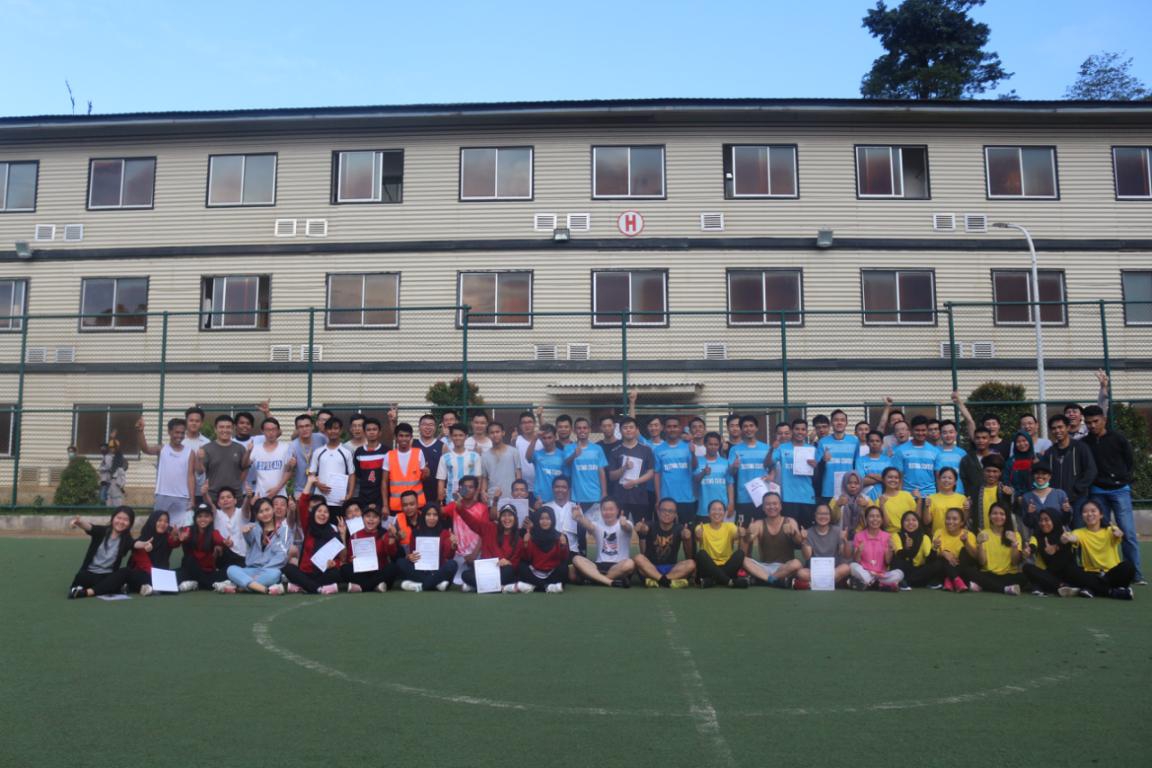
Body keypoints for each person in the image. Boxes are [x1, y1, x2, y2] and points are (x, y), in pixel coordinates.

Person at [1082, 404, 1143, 584]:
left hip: (1120, 490)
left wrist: (1122, 478)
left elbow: (1129, 461)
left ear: (1104, 420)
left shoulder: (1118, 438)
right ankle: (1105, 572)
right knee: (1101, 533)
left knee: (1127, 533)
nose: (1092, 425)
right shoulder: (1085, 443)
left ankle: (1135, 575)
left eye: (1095, 421)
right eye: (1088, 423)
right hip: (1097, 492)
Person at [1060, 500, 1134, 599]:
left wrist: (1119, 534)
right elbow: (1073, 537)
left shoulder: (1110, 530)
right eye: (1085, 512)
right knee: (1070, 570)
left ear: (1101, 515)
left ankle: (1091, 589)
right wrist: (1066, 539)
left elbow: (1118, 534)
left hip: (1111, 573)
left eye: (1093, 511)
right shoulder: (1079, 532)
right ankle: (1112, 592)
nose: (1089, 514)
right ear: (1082, 516)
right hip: (1091, 573)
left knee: (1128, 567)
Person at [219, 496, 293, 594]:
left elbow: (281, 555)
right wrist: (246, 533)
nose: (265, 514)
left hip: (269, 570)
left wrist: (264, 570)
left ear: (273, 509)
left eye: (267, 510)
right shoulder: (253, 528)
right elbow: (249, 539)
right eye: (261, 512)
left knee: (275, 574)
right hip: (251, 569)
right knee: (231, 569)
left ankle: (240, 587)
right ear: (257, 515)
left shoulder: (284, 530)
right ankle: (263, 589)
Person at [283, 485, 344, 595]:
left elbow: (341, 558)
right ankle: (318, 588)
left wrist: (334, 563)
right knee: (288, 569)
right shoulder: (308, 527)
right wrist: (310, 482)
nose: (322, 514)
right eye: (319, 511)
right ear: (313, 513)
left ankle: (304, 587)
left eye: (325, 512)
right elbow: (302, 504)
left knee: (336, 573)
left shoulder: (332, 532)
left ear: (329, 515)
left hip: (323, 573)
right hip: (305, 572)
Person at [136, 417, 195, 524]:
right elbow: (146, 449)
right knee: (159, 526)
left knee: (182, 527)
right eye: (177, 432)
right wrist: (140, 432)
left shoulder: (190, 452)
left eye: (182, 433)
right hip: (162, 494)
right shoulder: (162, 449)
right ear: (169, 432)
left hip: (182, 497)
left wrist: (192, 499)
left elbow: (190, 476)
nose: (180, 436)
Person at [67, 506, 136, 599]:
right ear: (113, 518)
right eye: (118, 518)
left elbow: (135, 544)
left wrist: (144, 545)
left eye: (125, 520)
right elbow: (90, 527)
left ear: (130, 523)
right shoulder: (101, 531)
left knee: (125, 572)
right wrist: (79, 522)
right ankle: (110, 588)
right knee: (82, 577)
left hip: (108, 576)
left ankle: (86, 592)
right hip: (89, 574)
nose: (121, 522)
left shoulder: (127, 539)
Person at [459, 503, 527, 593]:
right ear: (500, 518)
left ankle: (478, 587)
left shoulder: (519, 540)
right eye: (504, 515)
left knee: (509, 571)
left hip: (503, 572)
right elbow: (472, 522)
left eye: (510, 515)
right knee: (465, 575)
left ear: (515, 518)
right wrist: (459, 508)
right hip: (486, 571)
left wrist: (508, 562)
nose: (507, 518)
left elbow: (515, 564)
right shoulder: (489, 528)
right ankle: (500, 588)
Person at [563, 417, 608, 550]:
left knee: (596, 530)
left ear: (589, 430)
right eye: (579, 428)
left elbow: (601, 471)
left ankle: (598, 557)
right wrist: (574, 455)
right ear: (574, 431)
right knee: (580, 530)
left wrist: (604, 493)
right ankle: (582, 554)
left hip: (595, 496)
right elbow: (566, 465)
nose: (582, 430)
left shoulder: (597, 449)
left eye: (585, 428)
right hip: (578, 497)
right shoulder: (569, 448)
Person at [963, 503, 1026, 595]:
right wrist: (980, 544)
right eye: (994, 513)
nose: (998, 516)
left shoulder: (1015, 535)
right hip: (989, 574)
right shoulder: (983, 533)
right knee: (969, 572)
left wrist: (1014, 544)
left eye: (1002, 514)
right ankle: (1005, 589)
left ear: (1007, 517)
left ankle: (985, 586)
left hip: (1009, 575)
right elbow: (982, 562)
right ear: (989, 516)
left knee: (1023, 577)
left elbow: (1015, 562)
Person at [570, 498, 635, 588]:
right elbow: (589, 525)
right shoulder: (597, 525)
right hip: (599, 566)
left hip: (618, 566)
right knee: (576, 559)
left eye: (611, 509)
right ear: (600, 511)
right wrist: (579, 517)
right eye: (604, 509)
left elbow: (628, 528)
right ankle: (609, 581)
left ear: (618, 510)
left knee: (630, 563)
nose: (607, 512)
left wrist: (624, 524)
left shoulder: (626, 523)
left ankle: (595, 578)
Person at [633, 498, 695, 588]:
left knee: (691, 563)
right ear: (658, 512)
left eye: (671, 511)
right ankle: (668, 581)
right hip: (651, 567)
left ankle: (658, 580)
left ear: (675, 514)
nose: (667, 513)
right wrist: (642, 528)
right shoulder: (651, 525)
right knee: (638, 558)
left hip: (671, 568)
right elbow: (645, 529)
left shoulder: (679, 528)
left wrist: (687, 536)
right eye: (664, 510)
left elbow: (684, 535)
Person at [744, 493, 803, 587]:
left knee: (796, 563)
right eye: (768, 504)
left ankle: (763, 580)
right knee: (743, 559)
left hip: (785, 567)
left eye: (775, 503)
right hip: (764, 567)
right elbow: (748, 539)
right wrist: (748, 533)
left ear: (780, 506)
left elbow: (799, 541)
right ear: (763, 507)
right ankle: (773, 580)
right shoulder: (759, 523)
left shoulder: (790, 521)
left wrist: (793, 533)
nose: (771, 507)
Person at [694, 500, 756, 589]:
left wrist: (741, 532)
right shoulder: (701, 527)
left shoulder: (730, 526)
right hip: (708, 566)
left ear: (724, 513)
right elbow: (697, 535)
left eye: (720, 510)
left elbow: (737, 534)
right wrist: (698, 535)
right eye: (713, 509)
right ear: (708, 513)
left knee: (740, 553)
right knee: (701, 554)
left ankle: (712, 581)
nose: (717, 512)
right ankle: (729, 581)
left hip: (727, 565)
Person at [396, 505, 459, 592]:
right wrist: (409, 557)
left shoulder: (444, 533)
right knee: (400, 562)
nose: (432, 518)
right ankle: (436, 584)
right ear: (424, 516)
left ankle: (420, 585)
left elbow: (448, 556)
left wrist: (452, 545)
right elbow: (412, 553)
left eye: (435, 515)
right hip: (420, 570)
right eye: (428, 514)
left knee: (452, 564)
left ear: (438, 517)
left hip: (438, 570)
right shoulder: (416, 532)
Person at [1045, 414, 1096, 521]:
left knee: (1078, 528)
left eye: (1060, 427)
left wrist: (1077, 488)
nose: (1057, 431)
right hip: (1056, 499)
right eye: (1054, 428)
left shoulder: (1080, 447)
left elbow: (1091, 470)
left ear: (1068, 427)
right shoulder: (1049, 452)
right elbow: (1044, 474)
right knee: (1058, 528)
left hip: (1078, 498)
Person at [767, 418, 817, 527]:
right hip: (788, 498)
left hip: (807, 497)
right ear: (792, 431)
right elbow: (768, 463)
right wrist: (771, 449)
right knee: (789, 531)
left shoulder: (812, 449)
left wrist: (815, 466)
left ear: (806, 432)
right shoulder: (782, 448)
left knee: (806, 531)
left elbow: (817, 475)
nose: (800, 432)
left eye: (803, 429)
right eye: (797, 429)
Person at [340, 503, 400, 593]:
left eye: (375, 517)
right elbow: (349, 558)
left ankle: (362, 587)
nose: (371, 519)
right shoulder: (355, 535)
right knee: (345, 569)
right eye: (368, 516)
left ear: (379, 520)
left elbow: (392, 553)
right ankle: (375, 586)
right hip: (361, 572)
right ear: (363, 518)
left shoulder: (385, 534)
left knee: (393, 568)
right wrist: (352, 560)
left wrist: (392, 537)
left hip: (378, 571)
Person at [607, 417, 655, 525]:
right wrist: (624, 468)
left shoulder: (646, 450)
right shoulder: (615, 451)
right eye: (625, 428)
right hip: (620, 498)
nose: (628, 430)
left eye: (631, 427)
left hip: (640, 498)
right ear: (620, 431)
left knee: (641, 529)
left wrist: (635, 482)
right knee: (620, 529)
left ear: (636, 430)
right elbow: (611, 476)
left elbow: (651, 472)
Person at [442, 475, 488, 586]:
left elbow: (484, 534)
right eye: (464, 487)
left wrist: (474, 554)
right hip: (459, 554)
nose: (467, 490)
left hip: (477, 553)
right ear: (460, 489)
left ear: (476, 490)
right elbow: (437, 512)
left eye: (471, 487)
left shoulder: (482, 508)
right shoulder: (453, 506)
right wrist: (443, 498)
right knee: (456, 580)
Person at [1021, 508, 1076, 596]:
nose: (1043, 523)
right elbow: (1033, 545)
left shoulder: (1064, 535)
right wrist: (1029, 550)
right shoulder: (1037, 535)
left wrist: (1057, 547)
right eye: (1041, 520)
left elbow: (1073, 541)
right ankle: (1061, 586)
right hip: (1048, 574)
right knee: (1027, 567)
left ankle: (1042, 586)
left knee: (1070, 568)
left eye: (1046, 520)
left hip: (1065, 572)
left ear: (1054, 520)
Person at [795, 503, 851, 589]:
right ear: (815, 515)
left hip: (833, 569)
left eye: (826, 514)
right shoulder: (808, 532)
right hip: (814, 570)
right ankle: (832, 583)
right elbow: (807, 556)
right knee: (801, 573)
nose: (823, 516)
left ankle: (813, 584)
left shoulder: (837, 531)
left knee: (846, 568)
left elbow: (845, 555)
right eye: (820, 514)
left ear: (830, 516)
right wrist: (804, 540)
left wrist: (845, 540)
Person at [198, 414, 250, 508]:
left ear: (233, 429)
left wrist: (238, 483)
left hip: (235, 497)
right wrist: (200, 460)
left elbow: (245, 468)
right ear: (215, 429)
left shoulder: (240, 448)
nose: (225, 430)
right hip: (213, 497)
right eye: (221, 427)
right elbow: (200, 471)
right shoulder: (207, 449)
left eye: (228, 427)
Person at [653, 416, 696, 524]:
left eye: (675, 426)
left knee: (687, 531)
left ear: (680, 428)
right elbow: (657, 475)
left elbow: (695, 467)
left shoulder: (688, 447)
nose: (672, 429)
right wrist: (658, 498)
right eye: (669, 426)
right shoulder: (658, 450)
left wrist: (693, 454)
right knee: (667, 532)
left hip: (686, 499)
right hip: (666, 499)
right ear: (664, 428)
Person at [850, 505, 904, 591]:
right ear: (866, 519)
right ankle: (880, 585)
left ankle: (871, 583)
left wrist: (890, 550)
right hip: (866, 572)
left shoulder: (887, 536)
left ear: (881, 519)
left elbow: (887, 561)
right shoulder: (859, 536)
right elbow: (856, 560)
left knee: (899, 573)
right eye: (871, 516)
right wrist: (859, 551)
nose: (875, 519)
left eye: (878, 516)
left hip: (881, 575)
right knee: (853, 566)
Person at [127, 511, 181, 596]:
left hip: (161, 573)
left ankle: (151, 587)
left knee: (180, 574)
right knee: (133, 575)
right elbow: (145, 565)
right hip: (144, 573)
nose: (163, 524)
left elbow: (173, 543)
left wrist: (175, 537)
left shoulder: (166, 537)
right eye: (159, 520)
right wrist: (159, 578)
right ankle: (147, 587)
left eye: (166, 521)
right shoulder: (142, 540)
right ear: (153, 521)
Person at [729, 415, 771, 523]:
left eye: (751, 426)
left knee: (762, 529)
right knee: (743, 530)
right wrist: (734, 467)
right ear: (741, 429)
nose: (748, 429)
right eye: (745, 426)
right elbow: (730, 473)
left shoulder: (767, 448)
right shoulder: (735, 450)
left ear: (756, 428)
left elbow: (773, 469)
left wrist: (771, 476)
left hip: (763, 497)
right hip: (744, 498)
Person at [177, 504, 228, 593]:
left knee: (227, 571)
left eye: (206, 516)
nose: (203, 519)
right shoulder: (188, 530)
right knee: (187, 563)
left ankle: (196, 583)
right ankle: (208, 584)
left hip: (207, 571)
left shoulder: (214, 532)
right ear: (195, 519)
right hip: (190, 569)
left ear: (211, 518)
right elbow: (179, 539)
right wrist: (181, 539)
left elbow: (219, 540)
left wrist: (223, 543)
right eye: (199, 516)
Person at [309, 417, 354, 516]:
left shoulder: (347, 452)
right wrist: (317, 484)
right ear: (325, 431)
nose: (333, 431)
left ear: (340, 430)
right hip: (320, 499)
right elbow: (311, 473)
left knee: (337, 524)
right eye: (329, 428)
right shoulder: (318, 452)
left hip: (339, 500)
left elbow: (352, 474)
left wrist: (350, 494)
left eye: (336, 428)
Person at [518, 506, 569, 593]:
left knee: (564, 568)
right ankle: (547, 587)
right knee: (521, 566)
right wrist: (526, 544)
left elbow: (564, 558)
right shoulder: (530, 535)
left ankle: (536, 586)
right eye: (542, 519)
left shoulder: (560, 536)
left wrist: (563, 546)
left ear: (552, 520)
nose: (545, 522)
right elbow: (526, 558)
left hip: (552, 573)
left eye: (548, 519)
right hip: (534, 572)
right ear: (537, 520)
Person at [816, 409, 860, 504]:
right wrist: (823, 460)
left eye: (842, 420)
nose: (839, 422)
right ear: (831, 423)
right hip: (828, 490)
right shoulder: (823, 442)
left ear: (846, 423)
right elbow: (817, 468)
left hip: (848, 489)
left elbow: (856, 466)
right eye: (836, 420)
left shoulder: (854, 441)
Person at [385, 423, 429, 515]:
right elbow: (384, 482)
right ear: (396, 437)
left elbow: (422, 478)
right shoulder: (389, 455)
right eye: (401, 436)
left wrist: (426, 474)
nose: (404, 439)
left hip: (416, 505)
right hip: (397, 506)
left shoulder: (419, 453)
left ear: (411, 437)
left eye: (407, 436)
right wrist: (385, 505)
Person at [891, 511, 942, 589]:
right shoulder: (896, 535)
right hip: (904, 569)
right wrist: (906, 548)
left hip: (919, 570)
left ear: (918, 523)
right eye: (907, 520)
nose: (910, 523)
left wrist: (934, 548)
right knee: (897, 561)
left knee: (938, 563)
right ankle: (911, 582)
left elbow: (929, 559)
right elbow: (899, 555)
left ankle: (908, 582)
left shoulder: (924, 537)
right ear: (902, 523)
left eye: (914, 520)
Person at [932, 508, 979, 592]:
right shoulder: (939, 532)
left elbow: (975, 557)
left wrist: (965, 542)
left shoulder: (969, 535)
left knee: (964, 552)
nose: (950, 522)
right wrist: (943, 553)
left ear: (962, 522)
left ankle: (950, 579)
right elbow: (932, 555)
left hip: (961, 567)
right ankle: (956, 579)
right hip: (944, 567)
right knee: (943, 557)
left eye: (954, 519)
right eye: (948, 518)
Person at [247, 417, 294, 500]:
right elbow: (244, 466)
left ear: (278, 431)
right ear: (263, 431)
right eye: (267, 430)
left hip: (280, 496)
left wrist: (277, 489)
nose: (271, 432)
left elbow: (289, 471)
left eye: (274, 429)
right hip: (260, 495)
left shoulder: (286, 448)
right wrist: (248, 452)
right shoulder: (256, 448)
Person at [893, 415, 941, 496]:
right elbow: (898, 477)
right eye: (917, 430)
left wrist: (939, 497)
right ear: (911, 430)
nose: (920, 433)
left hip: (930, 495)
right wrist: (900, 497)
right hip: (908, 495)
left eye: (923, 430)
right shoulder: (900, 450)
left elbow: (938, 478)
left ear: (927, 430)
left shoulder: (935, 452)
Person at [436, 424, 481, 506]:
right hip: (451, 500)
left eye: (461, 435)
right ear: (451, 437)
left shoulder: (474, 456)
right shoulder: (445, 458)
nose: (458, 438)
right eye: (455, 435)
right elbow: (441, 481)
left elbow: (478, 479)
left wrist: (475, 497)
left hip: (470, 501)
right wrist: (441, 501)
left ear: (466, 437)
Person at [694, 431, 734, 523]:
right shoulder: (697, 461)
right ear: (705, 444)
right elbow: (695, 480)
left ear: (719, 445)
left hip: (722, 509)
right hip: (703, 509)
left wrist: (731, 503)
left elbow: (730, 484)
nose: (713, 447)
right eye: (710, 444)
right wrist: (703, 473)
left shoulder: (725, 462)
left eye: (716, 444)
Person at [1020, 462, 1071, 534]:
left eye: (1044, 473)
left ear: (1049, 476)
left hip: (1060, 535)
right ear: (1033, 476)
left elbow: (1067, 520)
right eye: (1037, 473)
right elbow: (1028, 523)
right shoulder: (1027, 497)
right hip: (1038, 536)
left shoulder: (1060, 494)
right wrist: (1030, 514)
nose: (1040, 476)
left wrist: (1066, 512)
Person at [479, 421, 522, 505]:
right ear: (488, 435)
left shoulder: (514, 452)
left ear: (503, 433)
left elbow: (518, 475)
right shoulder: (484, 456)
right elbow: (484, 477)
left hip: (511, 497)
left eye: (497, 432)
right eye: (492, 433)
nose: (495, 435)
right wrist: (483, 491)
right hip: (493, 498)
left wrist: (518, 494)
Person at [969, 454, 1014, 532]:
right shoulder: (976, 490)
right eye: (988, 471)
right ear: (983, 471)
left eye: (995, 471)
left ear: (1000, 473)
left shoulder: (1005, 490)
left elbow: (1010, 510)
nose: (991, 474)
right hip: (981, 533)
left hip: (1001, 534)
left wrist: (1009, 496)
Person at [524, 424, 565, 506]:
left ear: (555, 437)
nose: (547, 441)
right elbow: (528, 458)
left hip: (557, 499)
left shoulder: (563, 455)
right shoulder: (537, 454)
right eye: (544, 438)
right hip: (540, 499)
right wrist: (534, 439)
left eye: (549, 437)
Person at [353, 417, 389, 510]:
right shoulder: (359, 452)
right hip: (364, 496)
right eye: (368, 430)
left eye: (374, 429)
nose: (371, 432)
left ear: (380, 432)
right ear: (364, 433)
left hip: (381, 496)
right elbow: (358, 474)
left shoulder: (386, 451)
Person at [289, 413, 326, 501]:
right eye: (301, 427)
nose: (304, 429)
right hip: (301, 489)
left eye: (307, 426)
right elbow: (288, 470)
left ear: (312, 426)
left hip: (320, 488)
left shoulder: (321, 438)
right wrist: (290, 465)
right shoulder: (292, 446)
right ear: (297, 429)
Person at [923, 467, 969, 539]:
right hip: (938, 538)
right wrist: (926, 507)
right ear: (939, 480)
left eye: (950, 478)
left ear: (955, 482)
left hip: (957, 538)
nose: (946, 480)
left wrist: (967, 509)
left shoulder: (962, 498)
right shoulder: (931, 498)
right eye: (944, 477)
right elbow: (926, 522)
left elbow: (964, 520)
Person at [213, 487, 248, 569]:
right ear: (218, 503)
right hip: (223, 554)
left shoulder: (241, 512)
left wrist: (248, 497)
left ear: (235, 500)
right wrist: (205, 494)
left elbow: (246, 507)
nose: (225, 500)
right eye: (222, 498)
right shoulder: (216, 514)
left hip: (242, 554)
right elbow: (210, 505)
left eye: (229, 497)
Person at [876, 467, 918, 534]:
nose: (893, 480)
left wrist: (920, 499)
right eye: (890, 477)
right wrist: (882, 505)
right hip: (891, 536)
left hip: (910, 534)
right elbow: (884, 525)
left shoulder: (907, 495)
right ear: (883, 479)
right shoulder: (879, 500)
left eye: (896, 478)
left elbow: (916, 518)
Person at [415, 413, 445, 507]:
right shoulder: (412, 444)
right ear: (419, 427)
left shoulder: (442, 446)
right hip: (416, 491)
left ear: (435, 428)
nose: (428, 427)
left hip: (436, 490)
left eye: (431, 425)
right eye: (424, 424)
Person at [183, 407, 211, 506]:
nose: (194, 423)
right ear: (186, 422)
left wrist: (200, 459)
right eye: (191, 420)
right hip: (182, 490)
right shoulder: (180, 440)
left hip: (200, 491)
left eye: (197, 421)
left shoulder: (207, 442)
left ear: (201, 423)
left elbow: (205, 469)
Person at [959, 426, 994, 503]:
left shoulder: (996, 458)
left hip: (993, 500)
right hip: (973, 501)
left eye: (984, 438)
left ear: (990, 440)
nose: (980, 440)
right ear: (974, 440)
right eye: (978, 438)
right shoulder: (966, 460)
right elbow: (963, 481)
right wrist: (967, 497)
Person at [829, 470, 868, 535]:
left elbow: (873, 520)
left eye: (856, 483)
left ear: (861, 484)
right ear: (844, 484)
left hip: (861, 537)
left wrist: (866, 506)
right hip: (839, 537)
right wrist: (837, 505)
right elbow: (831, 520)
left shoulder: (866, 499)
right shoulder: (836, 499)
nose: (853, 486)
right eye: (849, 483)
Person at [934, 419, 967, 494]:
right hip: (940, 495)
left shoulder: (962, 453)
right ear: (940, 434)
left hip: (959, 494)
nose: (948, 435)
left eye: (951, 432)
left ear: (956, 433)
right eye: (945, 433)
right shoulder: (934, 452)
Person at [855, 430, 889, 501]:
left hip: (885, 499)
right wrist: (882, 479)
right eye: (872, 441)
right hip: (865, 500)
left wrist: (871, 475)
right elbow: (861, 481)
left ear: (882, 443)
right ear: (867, 443)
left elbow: (890, 480)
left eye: (877, 441)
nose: (874, 443)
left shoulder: (888, 460)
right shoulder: (860, 460)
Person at [513, 410, 542, 493]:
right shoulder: (516, 441)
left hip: (540, 487)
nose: (527, 425)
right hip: (522, 489)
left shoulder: (541, 441)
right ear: (520, 425)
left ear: (535, 424)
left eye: (530, 422)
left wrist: (540, 416)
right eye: (524, 423)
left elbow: (547, 430)